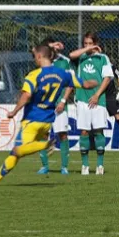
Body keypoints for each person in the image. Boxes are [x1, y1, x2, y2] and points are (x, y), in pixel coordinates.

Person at [0, 45, 97, 185]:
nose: (34, 60)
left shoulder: (34, 75)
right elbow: (86, 84)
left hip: (32, 120)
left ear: (39, 56)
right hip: (47, 121)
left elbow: (26, 95)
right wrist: (97, 81)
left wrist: (14, 111)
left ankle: (44, 145)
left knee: (17, 151)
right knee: (17, 153)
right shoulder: (63, 74)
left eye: (34, 57)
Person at [69, 32, 114, 176]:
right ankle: (85, 166)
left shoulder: (102, 58)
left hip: (98, 100)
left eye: (90, 43)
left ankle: (100, 165)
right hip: (82, 99)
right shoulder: (81, 57)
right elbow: (71, 55)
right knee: (83, 131)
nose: (87, 46)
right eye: (85, 43)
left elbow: (106, 78)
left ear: (96, 43)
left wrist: (96, 95)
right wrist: (87, 49)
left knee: (99, 131)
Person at [37, 37, 75, 175]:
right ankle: (44, 166)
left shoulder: (64, 62)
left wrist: (63, 101)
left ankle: (64, 167)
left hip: (59, 105)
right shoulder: (42, 61)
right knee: (43, 134)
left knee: (62, 135)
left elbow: (70, 84)